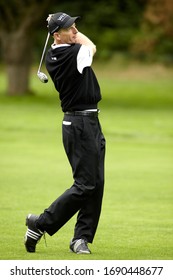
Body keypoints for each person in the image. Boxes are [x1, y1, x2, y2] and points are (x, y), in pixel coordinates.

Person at [24, 12, 106, 254]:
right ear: (57, 35)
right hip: (79, 125)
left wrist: (61, 26)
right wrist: (73, 33)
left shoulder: (56, 51)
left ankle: (81, 239)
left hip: (89, 123)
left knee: (96, 183)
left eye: (76, 26)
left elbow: (73, 39)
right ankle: (40, 223)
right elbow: (91, 46)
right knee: (85, 184)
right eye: (70, 28)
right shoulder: (72, 53)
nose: (75, 31)